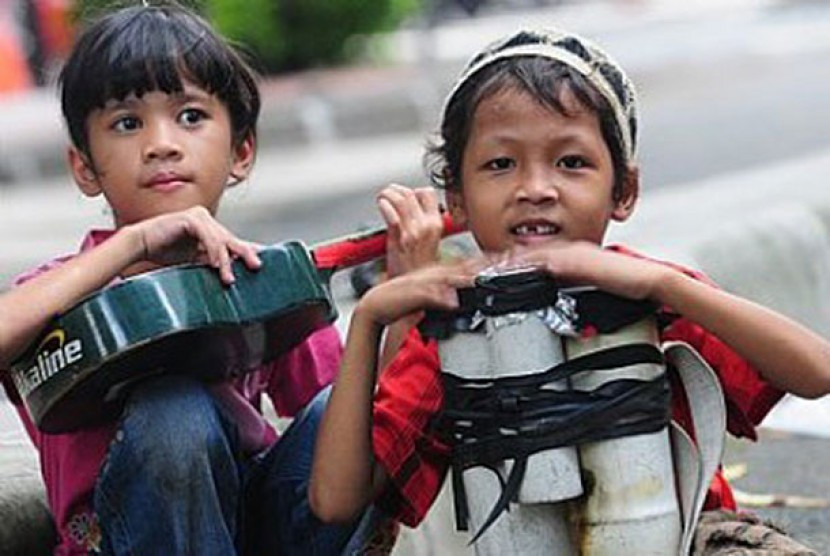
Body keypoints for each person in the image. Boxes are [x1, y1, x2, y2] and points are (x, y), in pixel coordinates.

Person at [309, 27, 830, 553]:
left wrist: (665, 284)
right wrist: (373, 316)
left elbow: (817, 372)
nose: (536, 188)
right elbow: (336, 502)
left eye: (572, 162)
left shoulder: (645, 287)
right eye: (500, 164)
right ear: (458, 201)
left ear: (623, 191)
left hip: (683, 534)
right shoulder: (454, 325)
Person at [0, 3, 365, 555]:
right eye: (127, 123)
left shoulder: (261, 277)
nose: (161, 144)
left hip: (260, 532)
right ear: (84, 168)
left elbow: (334, 413)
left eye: (190, 116)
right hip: (127, 542)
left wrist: (401, 303)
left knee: (362, 409)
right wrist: (134, 244)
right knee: (174, 413)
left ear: (242, 151)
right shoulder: (65, 290)